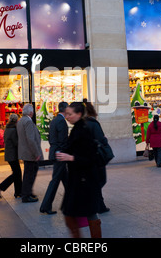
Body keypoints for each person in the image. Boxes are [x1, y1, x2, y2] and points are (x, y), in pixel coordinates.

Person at [56, 102, 102, 238]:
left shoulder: (84, 130)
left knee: (75, 212)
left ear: (79, 114)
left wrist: (70, 158)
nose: (67, 116)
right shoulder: (77, 128)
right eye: (66, 113)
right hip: (79, 179)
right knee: (82, 212)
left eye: (70, 114)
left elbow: (90, 158)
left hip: (84, 180)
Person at [40, 102, 69, 215]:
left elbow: (51, 137)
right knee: (55, 181)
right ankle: (45, 206)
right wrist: (64, 152)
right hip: (60, 155)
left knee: (67, 181)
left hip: (56, 153)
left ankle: (72, 203)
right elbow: (62, 140)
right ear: (65, 109)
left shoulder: (55, 120)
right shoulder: (61, 121)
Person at [83, 99, 110, 214]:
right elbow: (100, 139)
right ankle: (98, 205)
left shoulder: (83, 123)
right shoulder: (93, 123)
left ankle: (99, 204)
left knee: (95, 181)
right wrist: (104, 139)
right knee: (100, 180)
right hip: (96, 157)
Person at [17, 103, 43, 203]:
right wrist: (36, 153)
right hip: (30, 153)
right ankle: (26, 195)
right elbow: (30, 139)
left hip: (25, 152)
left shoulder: (21, 121)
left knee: (29, 173)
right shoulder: (27, 121)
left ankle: (27, 193)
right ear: (31, 112)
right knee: (29, 174)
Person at [0, 114, 22, 199]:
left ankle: (18, 192)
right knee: (16, 173)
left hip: (9, 155)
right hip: (13, 155)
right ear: (16, 121)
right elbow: (16, 143)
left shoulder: (7, 128)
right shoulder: (13, 129)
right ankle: (0, 187)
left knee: (17, 173)